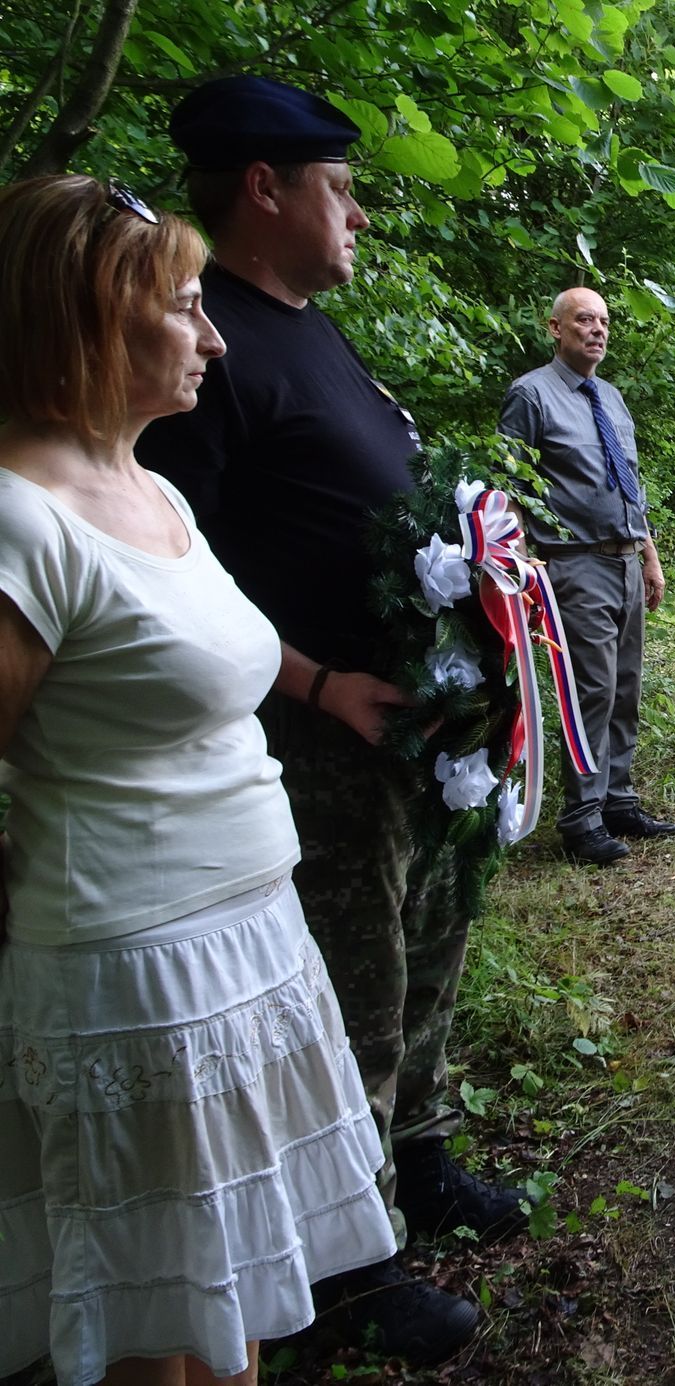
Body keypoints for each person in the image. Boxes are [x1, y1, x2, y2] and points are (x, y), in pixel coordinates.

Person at [0, 174, 395, 1386]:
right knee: (153, 1326)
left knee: (236, 1293)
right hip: (136, 972)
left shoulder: (154, 487)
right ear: (89, 316)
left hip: (244, 943)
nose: (216, 333)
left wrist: (323, 683)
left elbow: (203, 632)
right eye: (183, 305)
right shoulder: (20, 517)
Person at [134, 74, 495, 1359]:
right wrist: (311, 683)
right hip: (317, 730)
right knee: (354, 982)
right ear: (262, 187)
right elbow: (178, 570)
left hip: (412, 718)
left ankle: (422, 1156)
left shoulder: (306, 326)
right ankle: (351, 1259)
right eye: (338, 192)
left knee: (429, 936)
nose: (356, 218)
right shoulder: (204, 343)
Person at [499, 287, 675, 866]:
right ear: (555, 328)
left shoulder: (612, 399)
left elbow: (632, 484)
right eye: (584, 320)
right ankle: (581, 817)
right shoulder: (531, 394)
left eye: (603, 321)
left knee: (625, 686)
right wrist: (524, 558)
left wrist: (649, 556)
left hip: (626, 559)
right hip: (574, 562)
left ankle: (617, 799)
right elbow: (510, 485)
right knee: (593, 689)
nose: (597, 330)